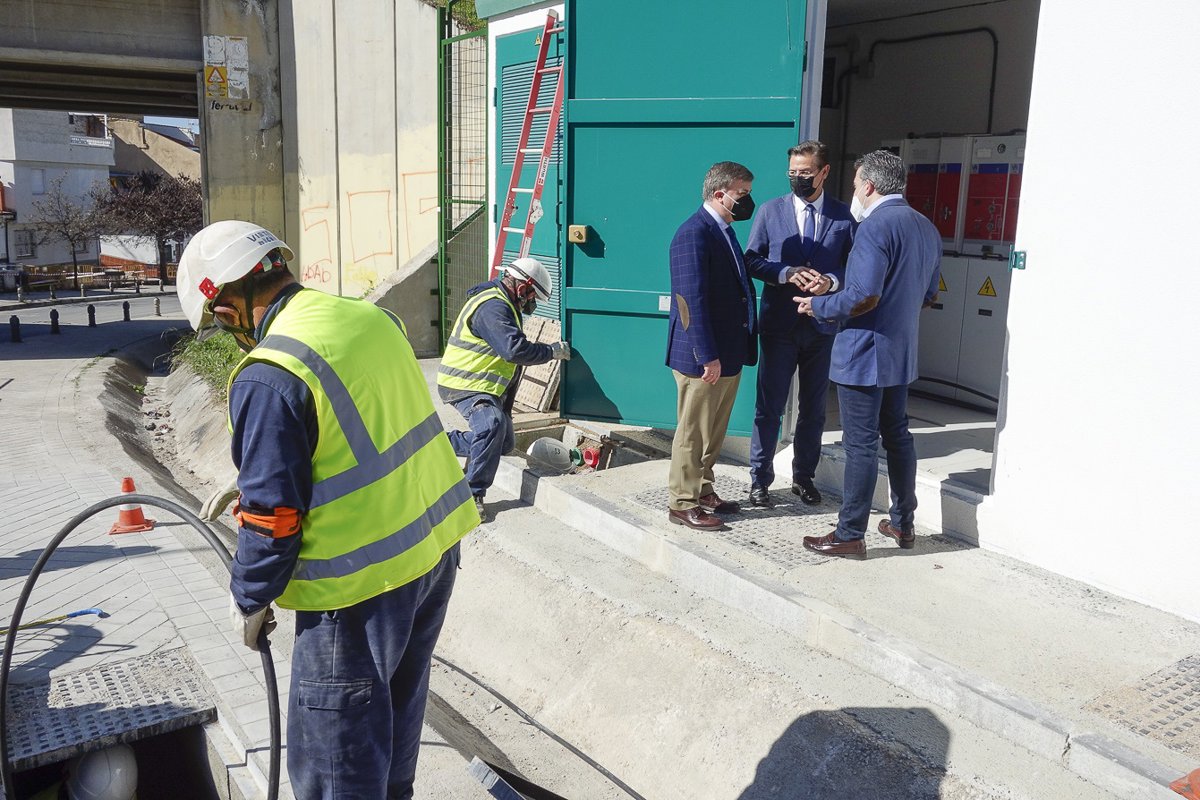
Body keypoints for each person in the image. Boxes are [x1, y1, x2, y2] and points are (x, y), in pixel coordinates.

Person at [178, 220, 479, 799]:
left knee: (337, 770)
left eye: (217, 317)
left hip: (356, 589)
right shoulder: (367, 318)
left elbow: (272, 519)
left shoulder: (271, 371)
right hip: (431, 554)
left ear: (227, 301)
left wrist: (251, 596)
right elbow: (363, 430)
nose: (224, 328)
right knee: (391, 736)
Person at [795, 151, 941, 558]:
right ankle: (902, 523)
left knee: (859, 444)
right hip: (900, 352)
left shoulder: (874, 226)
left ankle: (849, 534)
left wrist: (818, 306)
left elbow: (865, 296)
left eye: (856, 183)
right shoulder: (926, 227)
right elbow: (928, 294)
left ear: (870, 185)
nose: (854, 191)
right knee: (897, 436)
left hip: (864, 352)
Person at [666, 161, 783, 530]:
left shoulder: (724, 231)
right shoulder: (693, 234)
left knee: (713, 431)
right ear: (720, 194)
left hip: (727, 353)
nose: (748, 200)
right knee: (693, 432)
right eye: (742, 194)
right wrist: (707, 356)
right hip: (704, 357)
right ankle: (682, 502)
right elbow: (690, 302)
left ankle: (703, 489)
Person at [744, 140, 856, 508]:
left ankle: (803, 477)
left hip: (822, 326)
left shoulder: (843, 217)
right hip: (779, 326)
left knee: (813, 409)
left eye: (805, 173)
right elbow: (752, 260)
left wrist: (831, 282)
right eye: (792, 173)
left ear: (824, 172)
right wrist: (785, 272)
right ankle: (759, 479)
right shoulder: (770, 211)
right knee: (769, 406)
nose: (798, 179)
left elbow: (855, 266)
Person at [437, 257, 570, 521]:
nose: (532, 303)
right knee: (491, 425)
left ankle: (438, 443)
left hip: (483, 385)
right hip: (464, 384)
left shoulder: (503, 301)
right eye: (532, 296)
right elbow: (514, 350)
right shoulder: (493, 307)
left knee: (504, 443)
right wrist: (552, 352)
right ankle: (471, 495)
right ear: (523, 286)